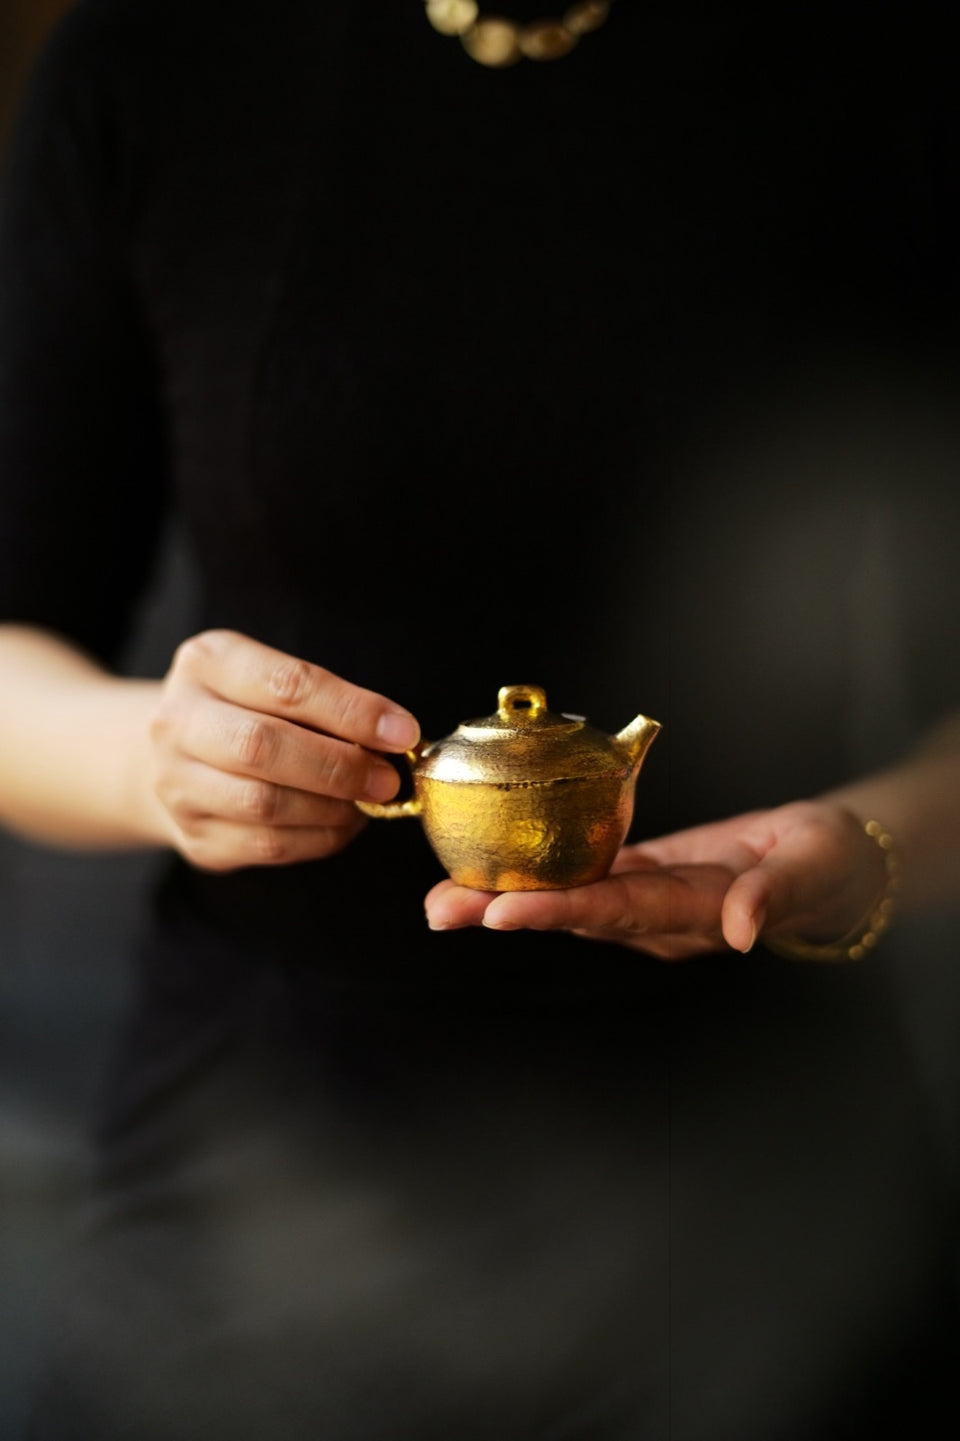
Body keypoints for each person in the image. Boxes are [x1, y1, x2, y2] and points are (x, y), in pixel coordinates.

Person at [1, 1, 959, 1437]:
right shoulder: (156, 57)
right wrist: (157, 756)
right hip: (257, 1187)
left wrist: (868, 853)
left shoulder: (889, 61)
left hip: (773, 1206)